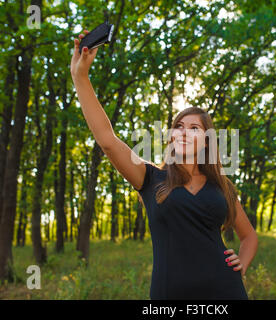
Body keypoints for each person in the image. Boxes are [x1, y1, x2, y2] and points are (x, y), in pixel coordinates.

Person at [70, 29, 258, 299]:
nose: (183, 131)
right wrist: (81, 77)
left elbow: (249, 236)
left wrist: (242, 264)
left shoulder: (222, 186)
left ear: (206, 141)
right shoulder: (150, 178)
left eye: (194, 128)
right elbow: (107, 140)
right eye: (178, 126)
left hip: (226, 293)